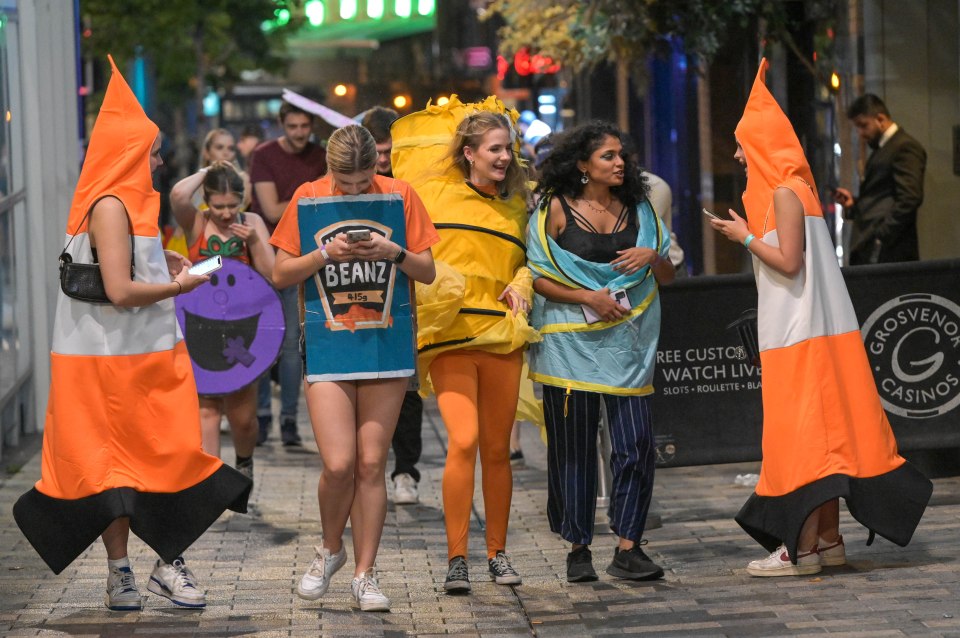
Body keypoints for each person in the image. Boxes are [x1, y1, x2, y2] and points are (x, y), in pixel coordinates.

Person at [12, 57, 250, 611]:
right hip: (110, 363)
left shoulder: (121, 204)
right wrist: (181, 285)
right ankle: (136, 571)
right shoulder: (114, 206)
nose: (161, 159)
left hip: (128, 358)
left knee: (155, 459)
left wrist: (161, 259)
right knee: (116, 470)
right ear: (128, 154)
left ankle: (156, 567)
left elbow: (117, 273)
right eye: (153, 151)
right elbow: (119, 292)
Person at [710, 59, 932, 577]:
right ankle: (827, 541)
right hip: (809, 333)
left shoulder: (785, 192)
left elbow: (789, 262)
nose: (739, 155)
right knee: (822, 440)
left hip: (798, 336)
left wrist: (741, 236)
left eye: (743, 144)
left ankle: (800, 548)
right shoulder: (794, 189)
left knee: (800, 441)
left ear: (762, 144)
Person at [271, 124, 438, 611]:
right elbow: (280, 273)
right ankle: (329, 548)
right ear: (328, 169)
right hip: (328, 344)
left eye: (364, 182)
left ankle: (366, 573)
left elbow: (426, 270)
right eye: (346, 185)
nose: (355, 192)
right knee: (339, 464)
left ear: (377, 169)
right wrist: (325, 253)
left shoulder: (401, 195)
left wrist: (393, 252)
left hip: (386, 345)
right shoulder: (308, 197)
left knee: (371, 465)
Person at [392, 103, 539, 594]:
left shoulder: (519, 205)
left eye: (508, 149)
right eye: (495, 149)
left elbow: (530, 262)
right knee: (464, 439)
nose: (504, 157)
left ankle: (497, 554)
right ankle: (458, 558)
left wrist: (522, 284)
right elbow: (416, 253)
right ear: (470, 153)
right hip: (451, 337)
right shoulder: (436, 196)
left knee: (497, 450)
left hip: (502, 337)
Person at [527, 121, 674, 583]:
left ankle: (629, 547)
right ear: (581, 165)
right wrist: (588, 297)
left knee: (635, 446)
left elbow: (666, 277)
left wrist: (652, 256)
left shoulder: (641, 209)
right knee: (573, 451)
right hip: (569, 346)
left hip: (628, 345)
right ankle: (578, 548)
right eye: (608, 156)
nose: (620, 163)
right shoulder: (553, 210)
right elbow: (538, 275)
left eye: (621, 155)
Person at [169, 161, 275, 479]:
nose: (226, 213)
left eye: (232, 205)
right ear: (207, 201)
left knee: (243, 418)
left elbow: (271, 276)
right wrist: (207, 171)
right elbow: (177, 195)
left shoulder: (252, 221)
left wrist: (255, 242)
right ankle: (211, 478)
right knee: (207, 408)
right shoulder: (197, 221)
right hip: (203, 326)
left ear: (243, 200)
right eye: (218, 206)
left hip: (244, 328)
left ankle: (244, 461)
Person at [249, 101, 327, 446]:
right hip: (266, 257)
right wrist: (312, 195)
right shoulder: (264, 155)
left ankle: (290, 421)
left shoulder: (322, 154)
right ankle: (263, 417)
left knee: (294, 344)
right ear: (282, 124)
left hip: (307, 257)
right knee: (264, 341)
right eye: (292, 126)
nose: (299, 133)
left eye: (304, 126)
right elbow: (269, 209)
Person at [360, 105, 423, 504]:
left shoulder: (408, 188)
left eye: (389, 152)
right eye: (378, 153)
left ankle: (405, 471)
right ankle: (369, 473)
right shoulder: (345, 186)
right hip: (355, 303)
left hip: (401, 300)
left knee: (407, 391)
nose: (384, 160)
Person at [833, 94, 926, 265]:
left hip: (889, 251)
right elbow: (881, 198)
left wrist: (881, 235)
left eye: (863, 125)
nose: (861, 133)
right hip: (878, 248)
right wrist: (853, 204)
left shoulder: (904, 147)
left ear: (880, 119)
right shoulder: (886, 148)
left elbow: (910, 198)